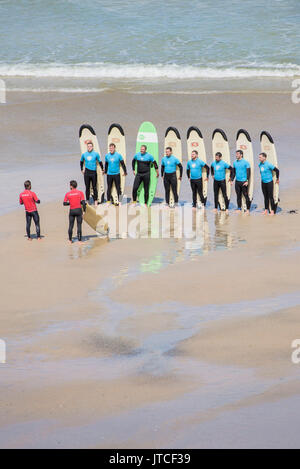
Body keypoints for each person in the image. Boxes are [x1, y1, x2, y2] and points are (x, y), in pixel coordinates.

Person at [80, 140, 103, 206]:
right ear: (87, 147)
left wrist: (103, 169)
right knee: (87, 187)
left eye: (90, 146)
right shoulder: (84, 154)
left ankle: (95, 201)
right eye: (88, 146)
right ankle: (87, 200)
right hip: (86, 173)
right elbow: (81, 161)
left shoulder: (96, 154)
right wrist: (82, 169)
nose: (89, 147)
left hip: (93, 173)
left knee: (94, 187)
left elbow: (100, 161)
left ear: (92, 147)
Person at [231, 149, 251, 214]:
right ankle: (239, 208)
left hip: (244, 182)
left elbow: (248, 172)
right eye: (236, 154)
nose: (236, 155)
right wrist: (231, 180)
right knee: (238, 195)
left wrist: (247, 180)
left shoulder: (246, 162)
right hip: (237, 182)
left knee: (246, 195)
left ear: (241, 155)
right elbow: (233, 173)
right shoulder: (234, 163)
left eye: (237, 154)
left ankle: (248, 209)